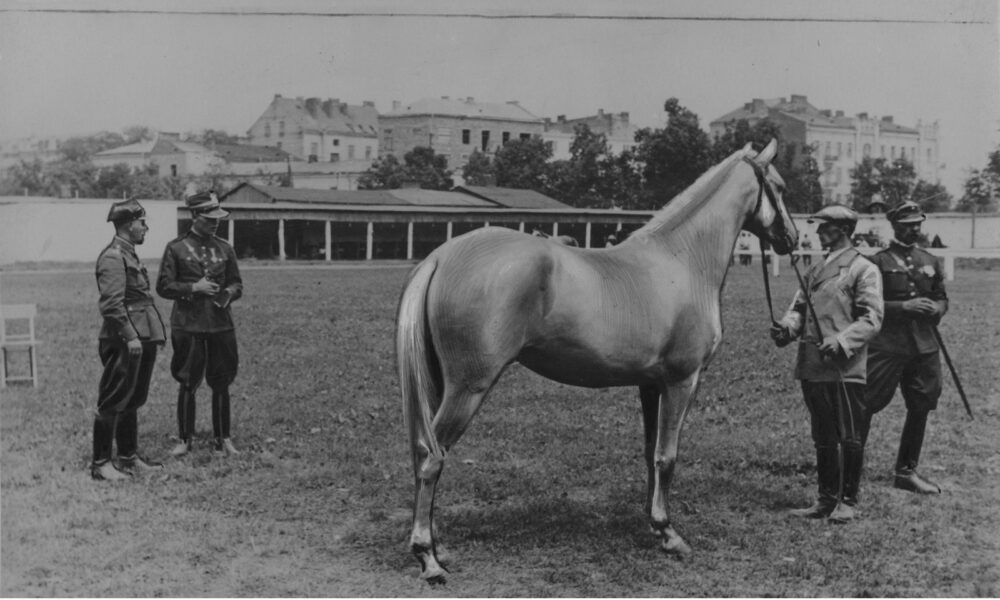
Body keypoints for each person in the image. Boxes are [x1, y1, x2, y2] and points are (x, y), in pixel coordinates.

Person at [771, 205, 883, 523]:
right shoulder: (814, 271)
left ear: (843, 230)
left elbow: (872, 318)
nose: (819, 233)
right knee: (822, 436)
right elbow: (799, 308)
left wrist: (843, 340)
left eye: (825, 228)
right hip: (813, 364)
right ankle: (825, 499)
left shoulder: (863, 269)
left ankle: (847, 501)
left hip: (845, 368)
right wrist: (786, 328)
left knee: (849, 435)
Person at [862, 201, 948, 494]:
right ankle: (850, 464)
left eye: (918, 223)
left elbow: (941, 297)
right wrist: (904, 306)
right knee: (865, 403)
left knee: (921, 404)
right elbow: (865, 305)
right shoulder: (878, 262)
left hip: (924, 346)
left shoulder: (931, 260)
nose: (915, 228)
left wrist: (937, 309)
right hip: (887, 346)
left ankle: (906, 471)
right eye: (908, 224)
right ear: (895, 225)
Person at [157, 191, 243, 457]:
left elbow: (236, 283)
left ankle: (223, 438)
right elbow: (164, 286)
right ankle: (185, 439)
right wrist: (194, 287)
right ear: (194, 216)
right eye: (209, 218)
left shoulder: (225, 248)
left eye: (217, 218)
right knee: (187, 382)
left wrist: (227, 294)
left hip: (220, 324)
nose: (215, 223)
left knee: (221, 381)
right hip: (189, 325)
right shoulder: (176, 248)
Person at [91, 199, 167, 481]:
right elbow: (112, 304)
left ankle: (128, 457)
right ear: (127, 225)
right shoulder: (113, 257)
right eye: (142, 222)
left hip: (142, 335)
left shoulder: (129, 253)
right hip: (125, 338)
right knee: (113, 399)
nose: (145, 227)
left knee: (132, 398)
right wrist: (131, 337)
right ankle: (101, 464)